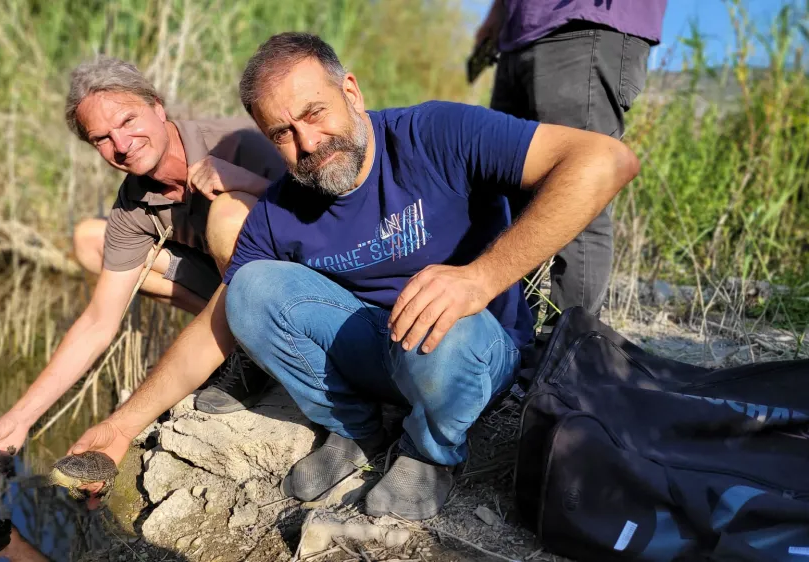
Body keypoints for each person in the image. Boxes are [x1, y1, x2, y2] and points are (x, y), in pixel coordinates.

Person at [65, 32, 639, 520]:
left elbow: (605, 160)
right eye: (282, 133)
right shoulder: (282, 207)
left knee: (445, 327)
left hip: (468, 349)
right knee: (249, 288)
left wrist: (480, 278)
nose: (308, 143)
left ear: (351, 91)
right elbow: (215, 328)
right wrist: (120, 428)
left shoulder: (434, 133)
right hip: (377, 350)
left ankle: (430, 450)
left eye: (314, 113)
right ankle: (355, 427)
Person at [0, 56, 288, 456]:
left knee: (229, 212)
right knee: (94, 239)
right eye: (101, 138)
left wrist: (253, 184)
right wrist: (20, 417)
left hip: (294, 287)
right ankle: (237, 347)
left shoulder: (240, 142)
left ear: (157, 107)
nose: (121, 145)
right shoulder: (132, 205)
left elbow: (330, 221)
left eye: (127, 121)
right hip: (230, 288)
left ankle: (256, 347)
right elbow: (98, 323)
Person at [475, 0, 667, 326]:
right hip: (518, 35)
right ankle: (510, 337)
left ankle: (570, 347)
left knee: (579, 191)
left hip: (587, 23)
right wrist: (498, 14)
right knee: (505, 196)